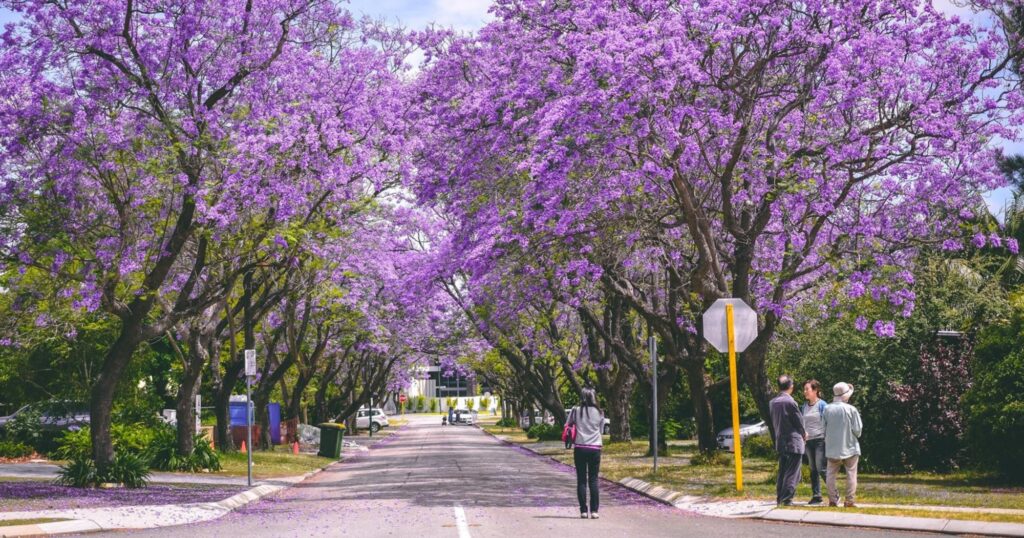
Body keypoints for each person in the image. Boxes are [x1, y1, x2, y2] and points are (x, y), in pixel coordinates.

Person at [822, 381, 863, 508]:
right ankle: (849, 501)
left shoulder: (827, 409)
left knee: (830, 475)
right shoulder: (851, 409)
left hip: (832, 448)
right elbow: (858, 430)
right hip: (850, 447)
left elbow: (823, 429)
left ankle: (833, 499)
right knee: (851, 474)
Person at [566, 388, 604, 519]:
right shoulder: (600, 412)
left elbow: (568, 425)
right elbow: (601, 430)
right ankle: (594, 511)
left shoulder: (576, 410)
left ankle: (583, 511)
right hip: (595, 448)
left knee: (581, 480)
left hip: (580, 448)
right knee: (593, 480)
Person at [769, 374, 806, 506]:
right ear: (791, 386)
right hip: (793, 440)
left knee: (782, 471)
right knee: (793, 471)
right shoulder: (790, 402)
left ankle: (780, 498)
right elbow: (798, 421)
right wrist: (804, 433)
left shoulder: (772, 402)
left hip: (780, 440)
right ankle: (787, 498)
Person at [801, 379, 827, 505]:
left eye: (807, 389)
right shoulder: (804, 406)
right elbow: (802, 423)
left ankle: (834, 494)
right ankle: (816, 496)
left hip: (819, 440)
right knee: (813, 469)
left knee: (821, 468)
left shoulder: (822, 405)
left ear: (815, 390)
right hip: (808, 441)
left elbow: (827, 422)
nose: (805, 392)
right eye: (804, 389)